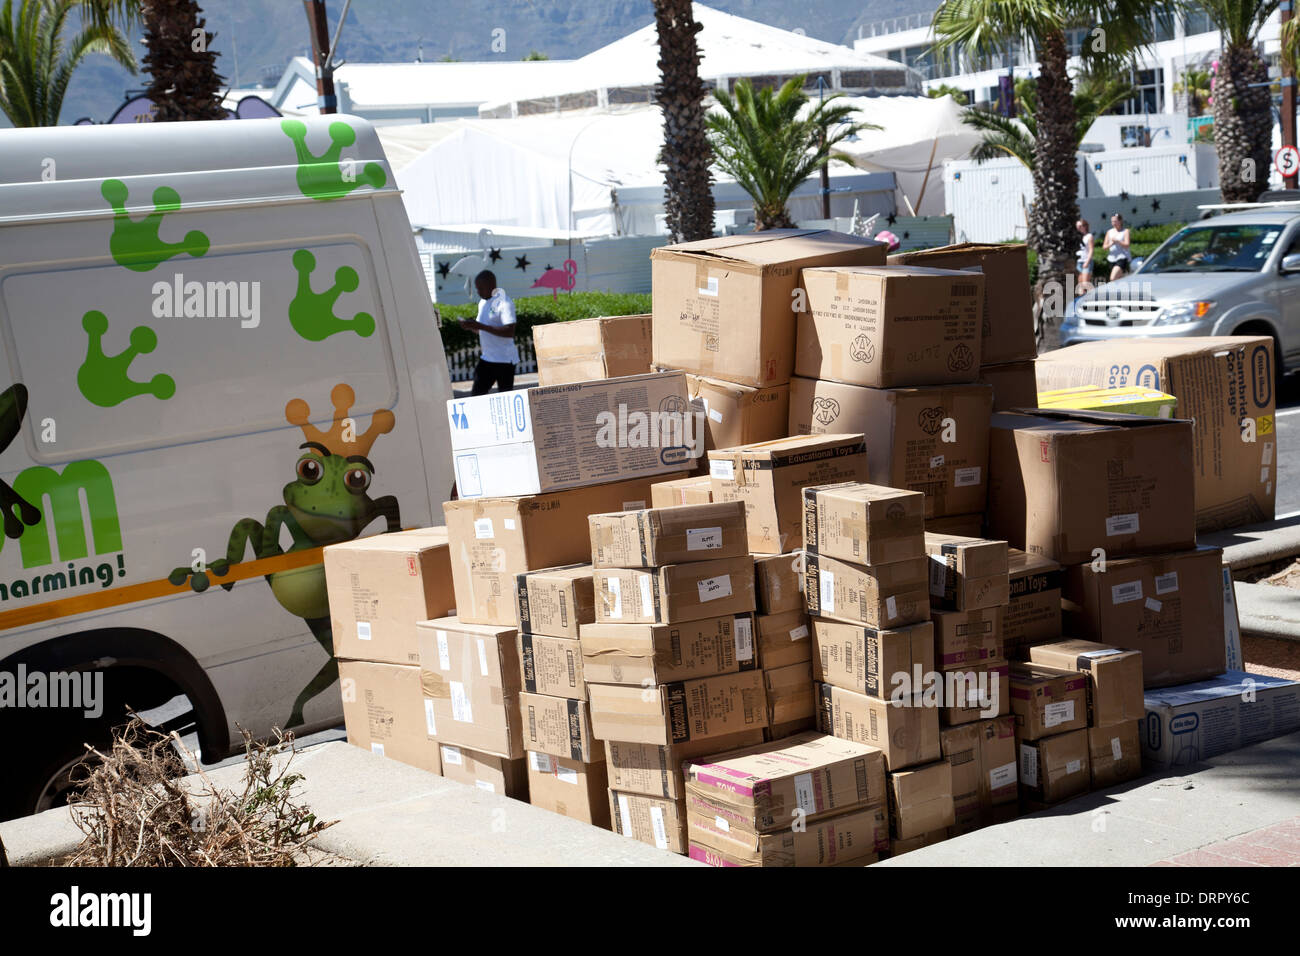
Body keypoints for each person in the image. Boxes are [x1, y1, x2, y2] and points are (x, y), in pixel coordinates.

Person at [460, 270, 519, 395]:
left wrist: (480, 326)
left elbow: (509, 331)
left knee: (505, 397)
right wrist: (471, 327)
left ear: (491, 285)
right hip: (487, 359)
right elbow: (481, 329)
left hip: (505, 360)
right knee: (477, 395)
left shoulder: (505, 303)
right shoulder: (482, 303)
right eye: (477, 288)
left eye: (480, 288)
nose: (478, 292)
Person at [1103, 213, 1132, 281]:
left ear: (1120, 221)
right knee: (1119, 279)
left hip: (1122, 257)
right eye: (1112, 221)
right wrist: (1112, 243)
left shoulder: (1125, 231)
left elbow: (1127, 245)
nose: (1113, 223)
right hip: (1111, 258)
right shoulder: (1109, 232)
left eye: (1115, 221)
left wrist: (1118, 241)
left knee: (1113, 278)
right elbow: (1104, 247)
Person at [1075, 219, 1095, 294]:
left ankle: (1094, 298)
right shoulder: (1077, 237)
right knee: (1080, 285)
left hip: (1086, 262)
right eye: (1077, 226)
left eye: (1080, 226)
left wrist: (1087, 261)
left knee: (1085, 284)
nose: (1078, 228)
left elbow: (1091, 250)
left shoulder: (1089, 236)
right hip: (1079, 262)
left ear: (1085, 226)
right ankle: (1081, 302)